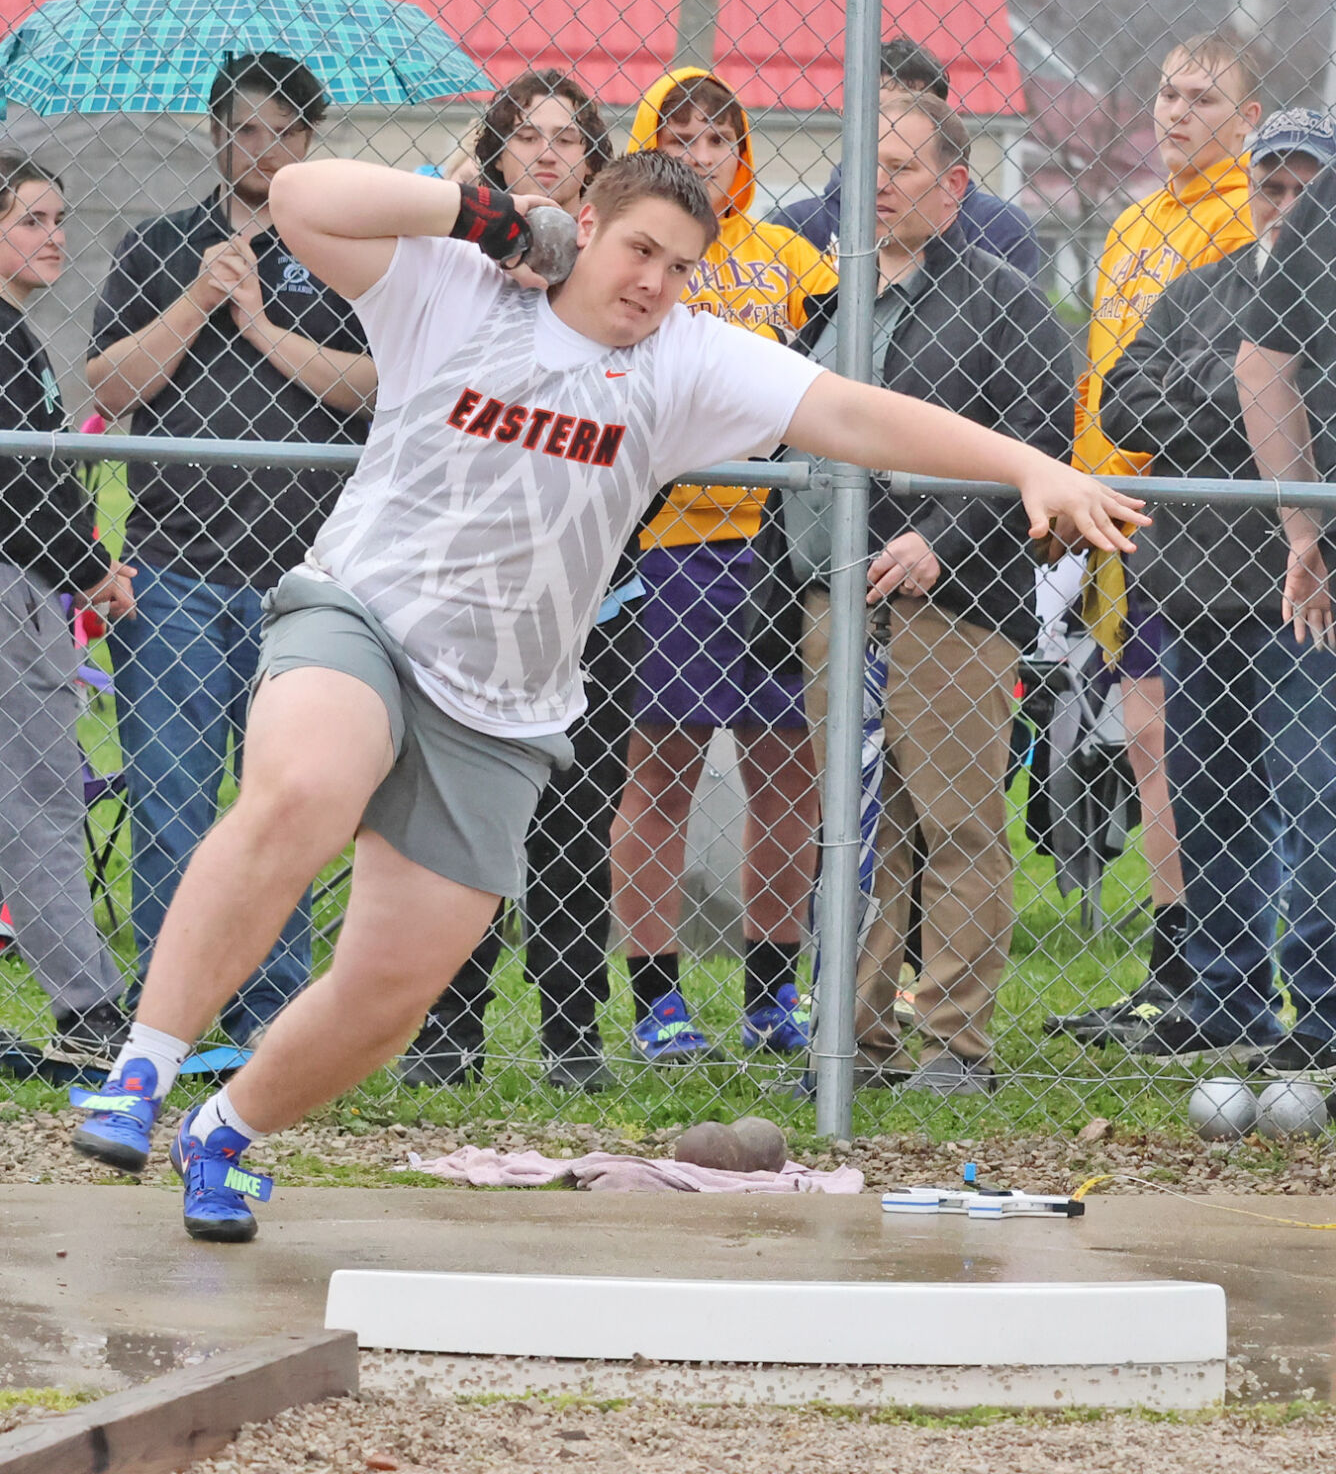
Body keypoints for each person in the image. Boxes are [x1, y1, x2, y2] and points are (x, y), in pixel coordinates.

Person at [69, 150, 1145, 1243]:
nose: (652, 284)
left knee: (388, 990)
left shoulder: (685, 360)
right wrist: (487, 214)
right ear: (582, 224)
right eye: (637, 250)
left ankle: (223, 1130)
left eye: (679, 267)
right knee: (304, 787)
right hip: (366, 618)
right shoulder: (458, 286)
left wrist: (1026, 467)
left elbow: (855, 416)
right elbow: (298, 198)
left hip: (502, 702)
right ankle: (140, 1071)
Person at [754, 96, 1074, 1094]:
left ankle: (954, 1044)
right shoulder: (833, 300)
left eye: (899, 165)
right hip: (832, 601)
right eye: (865, 164)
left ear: (953, 188)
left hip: (949, 606)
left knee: (956, 821)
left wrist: (942, 538)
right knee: (855, 826)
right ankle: (850, 1041)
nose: (876, 182)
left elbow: (1037, 438)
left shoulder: (1001, 299)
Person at [87, 54, 375, 1048]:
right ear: (215, 135)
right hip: (170, 570)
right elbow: (112, 386)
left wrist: (259, 323)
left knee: (284, 806)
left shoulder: (346, 251)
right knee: (170, 801)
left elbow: (376, 387)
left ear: (310, 143)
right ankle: (172, 1018)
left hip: (305, 582)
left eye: (285, 132)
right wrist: (200, 301)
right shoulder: (158, 246)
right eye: (245, 129)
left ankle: (267, 1016)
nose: (263, 148)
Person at [396, 69, 634, 1093]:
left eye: (568, 138)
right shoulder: (457, 259)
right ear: (494, 155)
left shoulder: (621, 268)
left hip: (588, 594)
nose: (546, 150)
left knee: (577, 831)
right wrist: (468, 190)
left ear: (593, 161)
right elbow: (399, 228)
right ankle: (447, 1031)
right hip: (464, 591)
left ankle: (571, 1038)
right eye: (523, 136)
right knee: (455, 831)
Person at [1081, 110, 1336, 1063]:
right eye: (1269, 185)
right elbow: (1126, 399)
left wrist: (1251, 404)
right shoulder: (1198, 292)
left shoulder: (1330, 293)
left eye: (1306, 187)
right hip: (1194, 589)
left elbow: (1304, 406)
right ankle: (1224, 994)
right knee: (1210, 799)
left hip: (1298, 597)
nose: (1284, 205)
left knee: (1313, 795)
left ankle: (1319, 1010)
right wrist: (1249, 391)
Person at [609, 68, 836, 1062]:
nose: (702, 156)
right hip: (674, 545)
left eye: (718, 139)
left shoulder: (790, 257)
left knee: (787, 774)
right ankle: (658, 999)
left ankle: (769, 995)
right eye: (683, 137)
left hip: (779, 549)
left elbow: (834, 376)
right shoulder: (638, 257)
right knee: (661, 772)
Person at [1053, 31, 1262, 1044]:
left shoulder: (1248, 218)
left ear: (1248, 118)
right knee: (1144, 740)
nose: (1175, 114)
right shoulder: (1135, 222)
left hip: (1194, 516)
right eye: (1166, 94)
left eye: (1202, 99)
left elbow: (1222, 380)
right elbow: (1119, 379)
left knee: (1181, 740)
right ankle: (1172, 962)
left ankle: (1202, 962)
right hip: (1112, 509)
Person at [1201, 137, 1336, 1071]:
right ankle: (1324, 1019)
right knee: (1312, 793)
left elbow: (1257, 370)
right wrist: (1304, 531)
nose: (1287, 199)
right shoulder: (1323, 215)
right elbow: (1259, 367)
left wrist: (1303, 530)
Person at [0, 155, 136, 1070]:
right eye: (31, 220)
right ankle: (92, 1018)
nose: (54, 236)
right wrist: (91, 568)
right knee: (42, 797)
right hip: (14, 592)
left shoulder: (17, 335)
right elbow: (16, 486)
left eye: (59, 218)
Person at [770, 37, 1040, 277]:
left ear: (944, 121)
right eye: (880, 110)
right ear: (847, 115)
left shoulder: (998, 226)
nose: (894, 125)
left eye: (917, 110)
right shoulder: (799, 226)